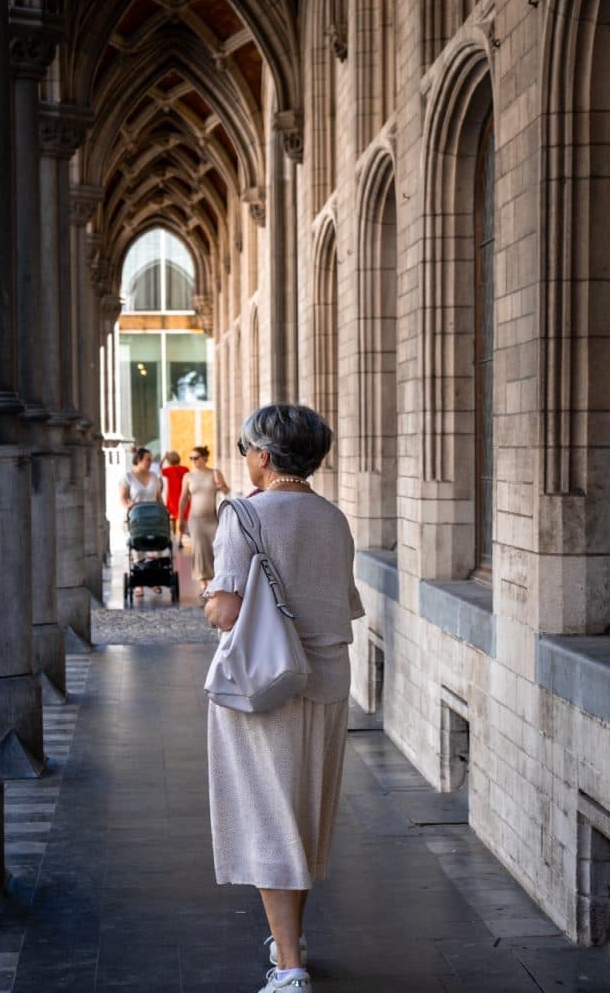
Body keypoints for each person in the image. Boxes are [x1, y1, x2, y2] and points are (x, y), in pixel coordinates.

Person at [203, 404, 364, 993]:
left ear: (264, 456)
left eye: (247, 448)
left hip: (261, 686)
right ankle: (289, 939)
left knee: (267, 821)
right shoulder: (334, 518)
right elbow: (342, 604)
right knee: (300, 815)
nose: (245, 458)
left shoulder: (243, 516)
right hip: (325, 682)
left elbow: (225, 611)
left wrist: (207, 597)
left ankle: (290, 967)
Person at [178, 445, 229, 592]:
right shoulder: (188, 477)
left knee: (216, 547)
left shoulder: (214, 473)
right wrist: (181, 520)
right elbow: (183, 499)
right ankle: (202, 579)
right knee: (199, 549)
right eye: (191, 458)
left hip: (212, 518)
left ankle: (215, 577)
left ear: (205, 458)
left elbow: (226, 490)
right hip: (195, 518)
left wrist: (221, 485)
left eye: (196, 458)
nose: (193, 461)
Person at [119, 446, 163, 596]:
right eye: (148, 459)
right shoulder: (127, 476)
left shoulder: (154, 477)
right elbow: (123, 498)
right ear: (138, 460)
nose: (151, 462)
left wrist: (163, 511)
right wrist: (129, 506)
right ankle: (139, 584)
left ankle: (154, 580)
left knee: (155, 548)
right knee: (138, 549)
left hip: (153, 518)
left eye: (151, 459)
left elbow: (158, 498)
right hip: (136, 518)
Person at [160, 450, 189, 548]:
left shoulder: (168, 470)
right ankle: (180, 540)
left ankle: (174, 538)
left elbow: (159, 470)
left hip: (172, 497)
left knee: (172, 519)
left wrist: (163, 458)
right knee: (182, 518)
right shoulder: (185, 469)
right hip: (183, 496)